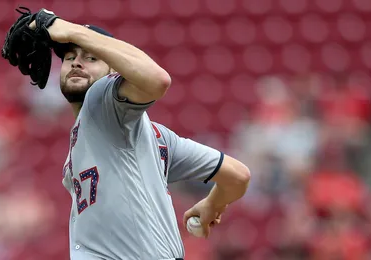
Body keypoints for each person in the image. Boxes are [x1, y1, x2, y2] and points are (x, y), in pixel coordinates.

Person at [29, 14, 251, 260]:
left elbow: (158, 80)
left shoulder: (99, 97)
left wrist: (70, 31)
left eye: (91, 57)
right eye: (70, 58)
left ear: (114, 73)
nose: (77, 63)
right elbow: (237, 176)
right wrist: (214, 204)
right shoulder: (157, 139)